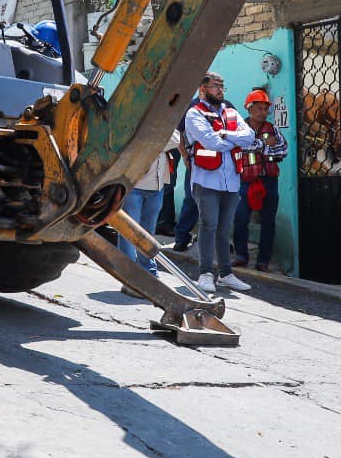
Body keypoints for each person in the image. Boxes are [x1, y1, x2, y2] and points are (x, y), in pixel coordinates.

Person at [183, 72, 259, 294]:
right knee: (208, 226)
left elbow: (250, 138)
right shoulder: (194, 114)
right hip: (206, 180)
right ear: (202, 90)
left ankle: (225, 274)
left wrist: (225, 134)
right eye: (215, 86)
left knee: (225, 228)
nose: (220, 90)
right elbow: (211, 143)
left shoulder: (231, 112)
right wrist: (232, 139)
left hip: (231, 182)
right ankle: (205, 273)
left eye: (222, 86)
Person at [233, 89, 288, 271]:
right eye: (259, 108)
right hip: (245, 181)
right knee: (240, 218)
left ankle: (263, 261)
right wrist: (266, 145)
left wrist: (258, 148)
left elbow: (283, 150)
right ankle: (241, 255)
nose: (263, 112)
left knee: (268, 222)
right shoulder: (239, 129)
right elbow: (240, 147)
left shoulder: (272, 128)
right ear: (249, 108)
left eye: (265, 109)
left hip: (269, 181)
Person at [119, 129, 181, 275]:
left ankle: (148, 269)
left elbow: (176, 139)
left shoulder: (165, 122)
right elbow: (140, 140)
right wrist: (157, 139)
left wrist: (154, 140)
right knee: (129, 231)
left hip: (156, 187)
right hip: (135, 185)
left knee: (148, 231)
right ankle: (128, 273)